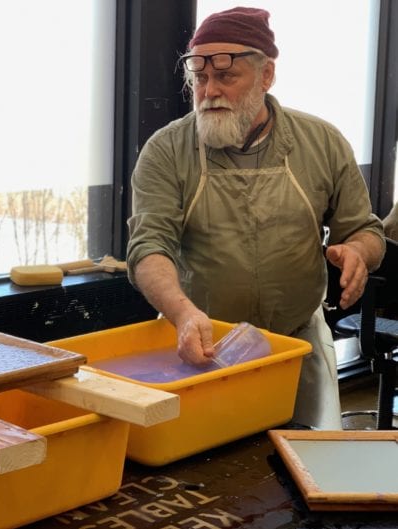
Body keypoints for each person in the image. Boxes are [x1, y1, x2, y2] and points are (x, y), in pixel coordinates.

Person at [126, 7, 385, 430]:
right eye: (201, 79)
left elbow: (364, 228)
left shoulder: (321, 143)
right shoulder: (167, 151)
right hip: (201, 345)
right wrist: (183, 312)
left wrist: (358, 251)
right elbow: (148, 246)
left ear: (266, 76)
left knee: (307, 469)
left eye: (226, 77)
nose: (210, 91)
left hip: (296, 343)